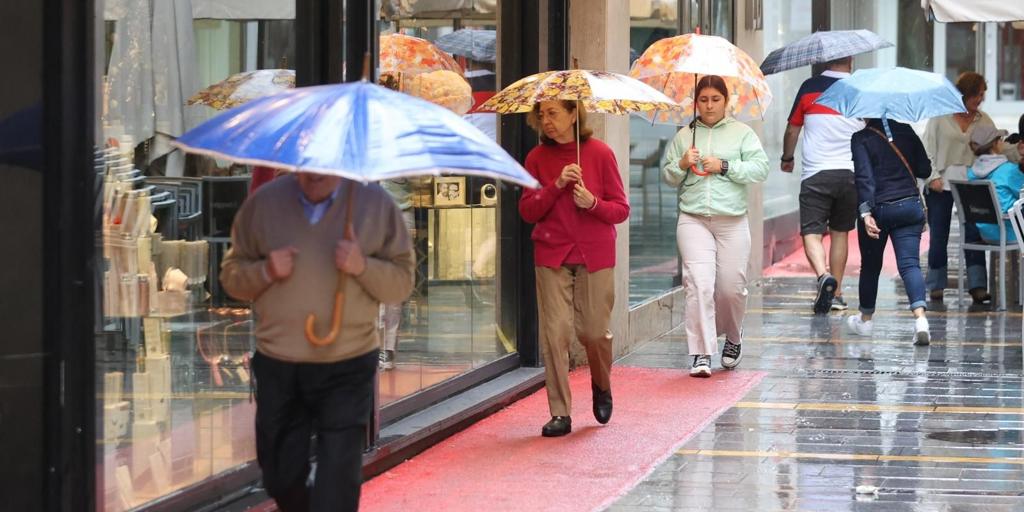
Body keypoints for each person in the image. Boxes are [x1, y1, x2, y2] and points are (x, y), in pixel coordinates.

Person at [221, 172, 414, 511]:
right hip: (280, 361)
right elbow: (231, 278)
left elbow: (401, 283)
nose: (315, 170)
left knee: (337, 480)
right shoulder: (265, 204)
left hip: (348, 362)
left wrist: (362, 266)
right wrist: (266, 270)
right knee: (281, 476)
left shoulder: (375, 206)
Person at [519, 99, 629, 437]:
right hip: (551, 254)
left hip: (594, 253)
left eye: (554, 113)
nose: (546, 120)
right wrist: (556, 187)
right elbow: (527, 211)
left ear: (573, 114)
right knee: (556, 335)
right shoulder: (536, 159)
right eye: (542, 114)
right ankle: (560, 413)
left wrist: (592, 203)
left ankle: (601, 383)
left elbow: (621, 210)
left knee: (594, 332)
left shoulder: (599, 153)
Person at [662, 75, 769, 378]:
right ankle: (700, 352)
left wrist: (724, 166)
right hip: (693, 219)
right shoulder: (685, 135)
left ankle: (733, 337)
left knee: (730, 288)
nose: (709, 105)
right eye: (704, 99)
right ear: (696, 102)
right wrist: (682, 164)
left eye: (715, 99)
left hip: (732, 221)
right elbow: (668, 177)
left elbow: (760, 168)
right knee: (698, 284)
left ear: (726, 101)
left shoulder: (742, 133)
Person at [781, 56, 865, 314]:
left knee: (811, 233)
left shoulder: (809, 87)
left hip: (816, 173)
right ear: (850, 59)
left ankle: (822, 276)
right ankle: (837, 293)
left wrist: (787, 157)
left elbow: (793, 129)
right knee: (840, 233)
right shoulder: (861, 89)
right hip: (851, 174)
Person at [846, 119, 931, 345]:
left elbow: (864, 177)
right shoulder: (906, 130)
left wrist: (865, 213)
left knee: (871, 265)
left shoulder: (861, 138)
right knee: (910, 264)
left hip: (878, 210)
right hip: (910, 207)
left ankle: (865, 320)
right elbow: (925, 169)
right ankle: (921, 320)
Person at [922, 72, 996, 304]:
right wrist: (931, 177)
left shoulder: (983, 120)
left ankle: (977, 286)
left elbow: (996, 147)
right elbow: (927, 149)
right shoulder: (940, 116)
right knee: (939, 234)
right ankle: (936, 285)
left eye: (983, 96)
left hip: (971, 183)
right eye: (978, 95)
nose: (981, 100)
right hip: (940, 184)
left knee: (975, 233)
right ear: (967, 93)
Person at [967, 126, 1024, 243]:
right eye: (1000, 139)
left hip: (985, 231)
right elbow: (1021, 193)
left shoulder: (971, 172)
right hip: (1011, 230)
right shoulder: (1009, 170)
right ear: (995, 144)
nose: (1003, 142)